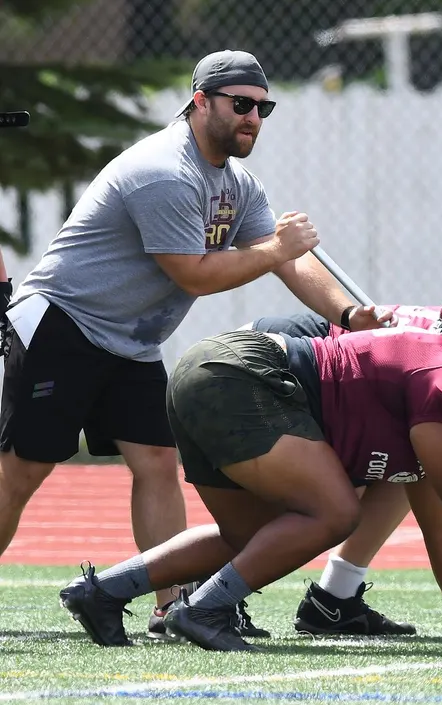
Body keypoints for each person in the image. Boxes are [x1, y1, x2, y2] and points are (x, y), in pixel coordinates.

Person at [0, 49, 390, 631]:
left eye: (263, 108)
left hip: (130, 343)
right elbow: (195, 274)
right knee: (22, 471)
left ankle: (170, 604)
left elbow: (288, 260)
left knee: (157, 463)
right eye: (241, 104)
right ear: (200, 101)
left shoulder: (237, 183)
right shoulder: (164, 170)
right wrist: (276, 249)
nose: (253, 118)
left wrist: (349, 313)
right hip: (64, 324)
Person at [59, 279, 442, 651]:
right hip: (246, 376)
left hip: (209, 370)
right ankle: (202, 609)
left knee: (250, 536)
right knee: (336, 513)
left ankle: (101, 592)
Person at [231, 275, 442, 643]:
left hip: (305, 373)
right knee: (317, 506)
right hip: (272, 368)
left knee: (409, 465)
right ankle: (210, 587)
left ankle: (334, 598)